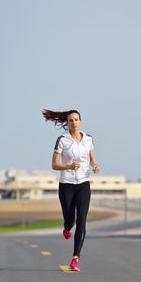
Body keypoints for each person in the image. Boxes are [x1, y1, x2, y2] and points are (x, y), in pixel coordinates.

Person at [42, 109, 100, 272]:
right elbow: (54, 165)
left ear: (80, 121)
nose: (74, 122)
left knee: (82, 220)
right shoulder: (62, 140)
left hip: (83, 184)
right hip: (66, 184)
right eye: (70, 120)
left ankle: (75, 259)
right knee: (70, 219)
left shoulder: (88, 139)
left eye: (76, 119)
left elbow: (91, 156)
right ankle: (67, 228)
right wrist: (69, 166)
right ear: (67, 123)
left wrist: (94, 165)